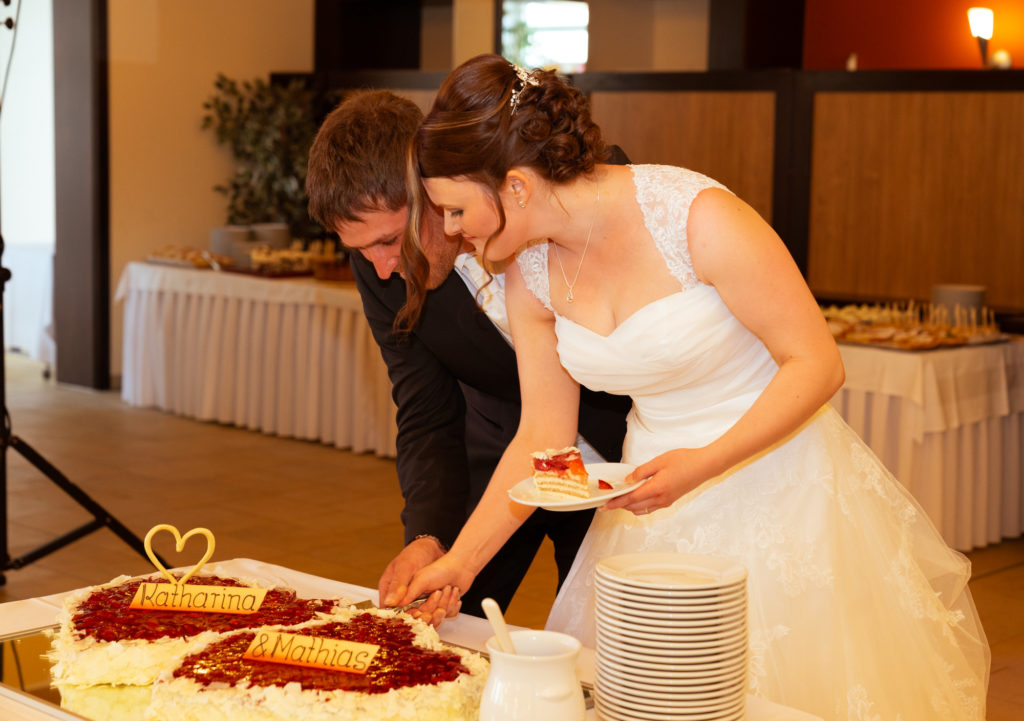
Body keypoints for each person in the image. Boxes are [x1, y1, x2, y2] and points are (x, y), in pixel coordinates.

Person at [395, 54, 991, 719]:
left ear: (515, 186)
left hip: (780, 483)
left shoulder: (694, 216)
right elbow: (542, 434)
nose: (451, 230)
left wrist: (701, 465)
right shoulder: (527, 272)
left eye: (455, 209)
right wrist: (462, 563)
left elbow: (817, 363)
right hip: (649, 498)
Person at [305, 89, 631, 625]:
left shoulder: (562, 200)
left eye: (388, 240)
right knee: (449, 627)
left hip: (622, 448)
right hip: (503, 454)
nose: (381, 267)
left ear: (430, 188)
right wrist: (428, 535)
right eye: (360, 249)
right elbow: (425, 408)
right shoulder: (377, 263)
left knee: (606, 637)